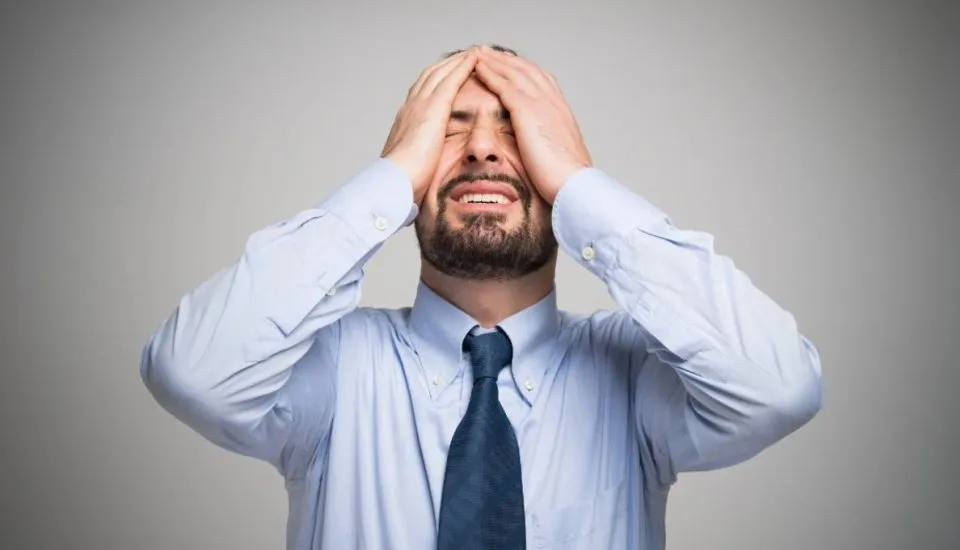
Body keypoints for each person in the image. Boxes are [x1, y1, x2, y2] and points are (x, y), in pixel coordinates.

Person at [140, 44, 823, 550]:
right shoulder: (332, 369)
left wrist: (582, 186)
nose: (484, 151)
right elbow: (195, 373)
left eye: (517, 131)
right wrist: (389, 180)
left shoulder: (636, 376)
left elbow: (778, 388)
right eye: (450, 129)